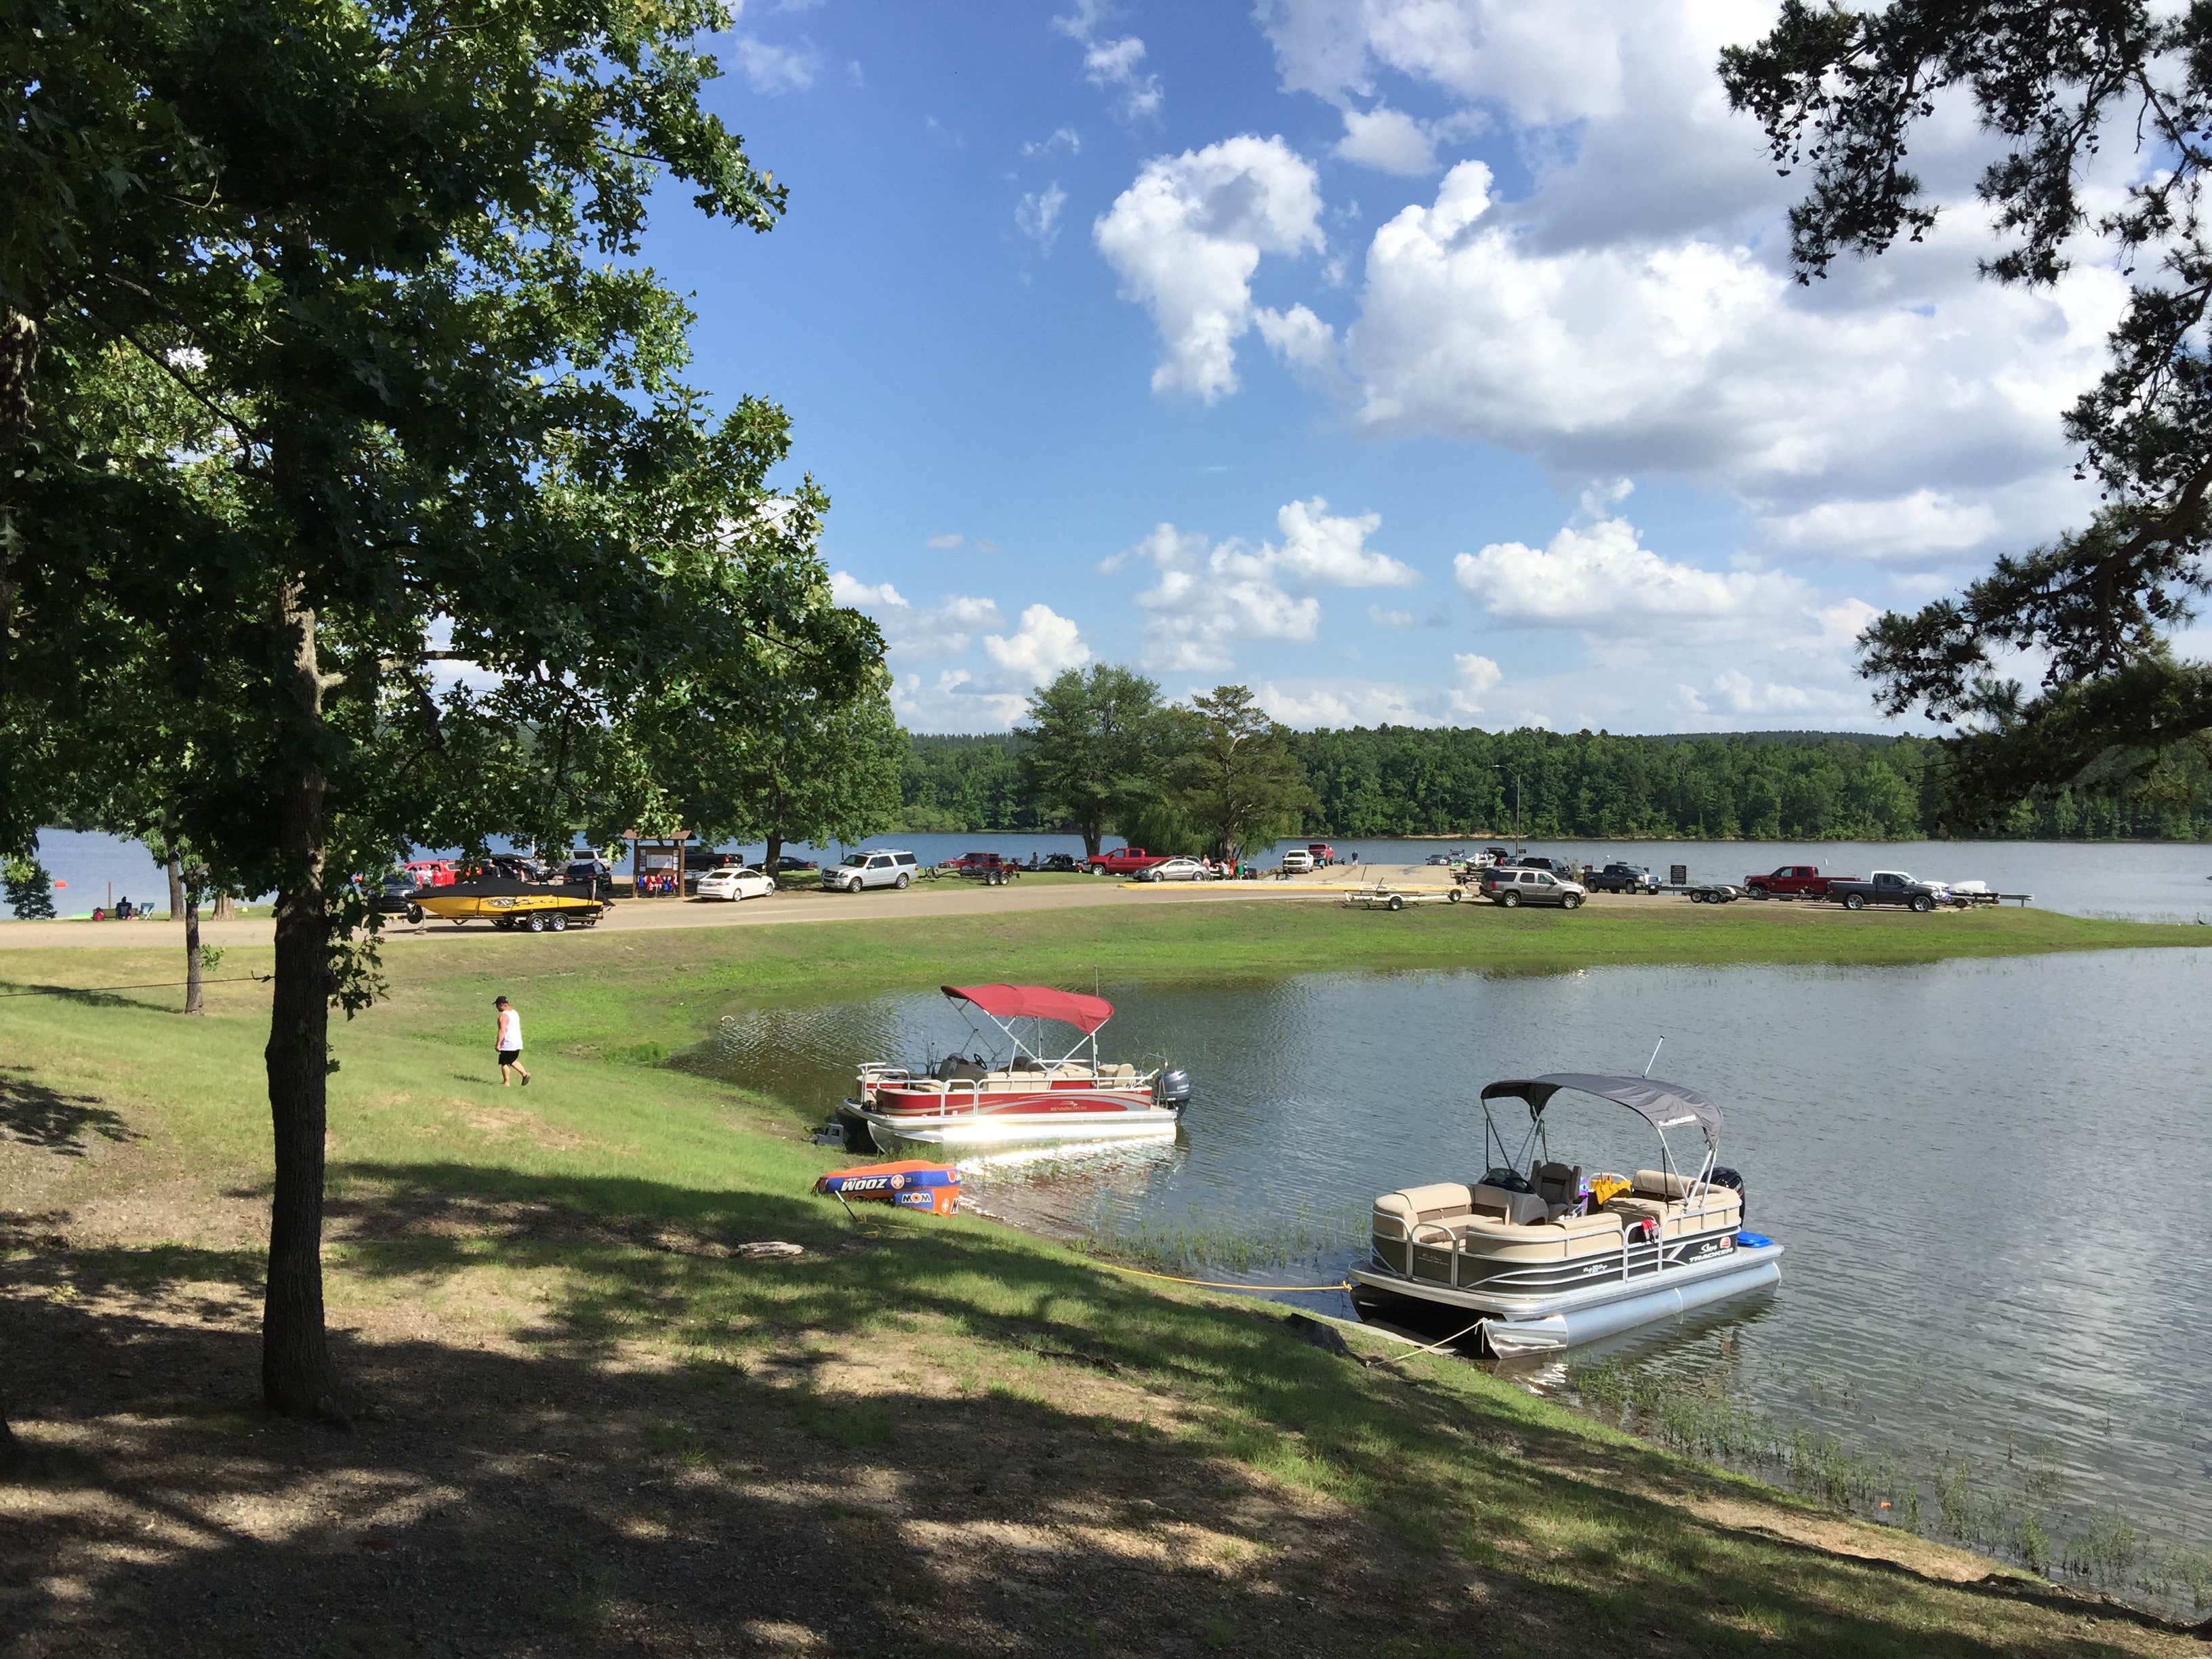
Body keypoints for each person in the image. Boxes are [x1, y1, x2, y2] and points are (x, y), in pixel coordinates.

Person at [493, 995, 529, 1086]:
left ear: (502, 1005)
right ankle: (524, 1074)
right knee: (512, 1060)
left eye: (497, 1005)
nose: (497, 1007)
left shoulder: (504, 1015)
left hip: (508, 1043)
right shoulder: (514, 1013)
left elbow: (502, 1030)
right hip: (517, 1042)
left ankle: (507, 1082)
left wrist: (498, 1044)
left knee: (504, 1062)